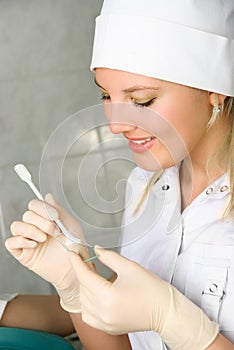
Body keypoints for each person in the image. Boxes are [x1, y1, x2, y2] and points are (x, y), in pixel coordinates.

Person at [5, 0, 234, 349]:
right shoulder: (146, 188)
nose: (115, 125)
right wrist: (77, 285)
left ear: (215, 90)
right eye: (105, 94)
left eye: (142, 100)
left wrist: (181, 325)